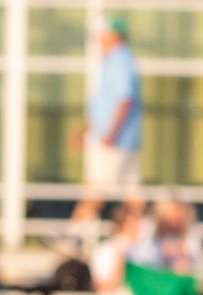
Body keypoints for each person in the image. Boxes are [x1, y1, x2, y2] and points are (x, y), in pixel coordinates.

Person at [79, 18, 142, 200]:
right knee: (132, 196)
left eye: (102, 35)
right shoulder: (115, 61)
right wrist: (85, 130)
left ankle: (79, 222)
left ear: (114, 36)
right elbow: (103, 104)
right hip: (121, 139)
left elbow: (125, 99)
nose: (98, 40)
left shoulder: (119, 61)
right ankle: (141, 220)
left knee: (94, 193)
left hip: (114, 140)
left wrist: (111, 133)